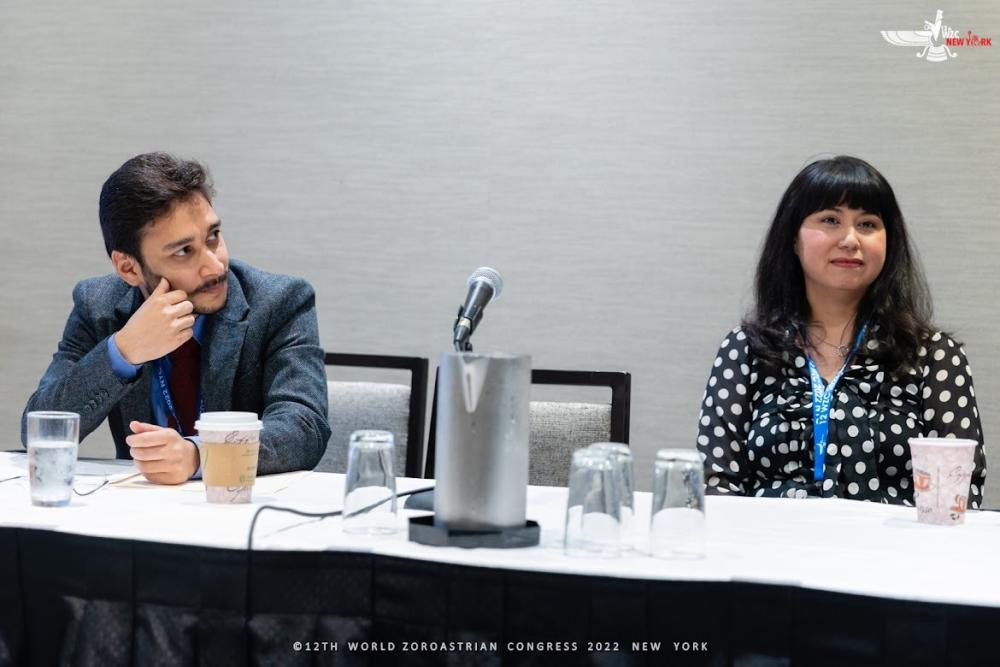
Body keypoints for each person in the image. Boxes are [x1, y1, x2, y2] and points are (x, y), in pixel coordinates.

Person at [21, 153, 331, 484]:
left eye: (213, 236)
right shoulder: (99, 306)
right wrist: (123, 351)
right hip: (139, 512)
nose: (214, 266)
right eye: (184, 251)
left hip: (240, 509)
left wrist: (200, 454)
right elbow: (38, 430)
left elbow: (304, 426)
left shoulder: (279, 301)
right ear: (129, 267)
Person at [696, 155, 986, 506]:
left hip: (895, 555)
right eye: (830, 220)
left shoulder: (933, 355)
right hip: (770, 553)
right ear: (793, 238)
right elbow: (716, 484)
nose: (850, 240)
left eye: (867, 224)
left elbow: (958, 492)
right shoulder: (745, 349)